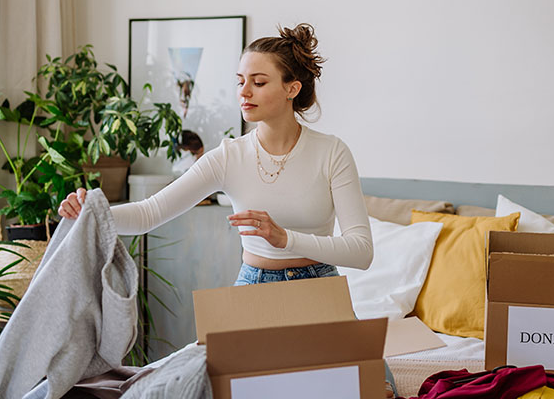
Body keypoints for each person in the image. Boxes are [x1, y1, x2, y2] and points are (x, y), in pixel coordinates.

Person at [59, 23, 373, 286]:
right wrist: (92, 212)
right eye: (240, 82)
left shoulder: (332, 153)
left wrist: (285, 238)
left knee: (361, 363)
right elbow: (148, 214)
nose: (244, 92)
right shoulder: (227, 157)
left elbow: (361, 252)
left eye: (259, 82)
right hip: (254, 284)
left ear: (291, 89)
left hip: (319, 286)